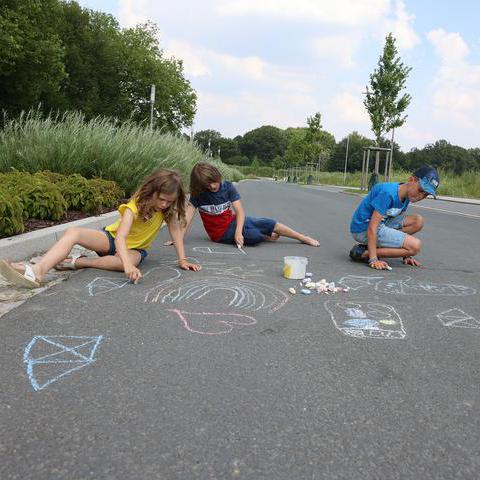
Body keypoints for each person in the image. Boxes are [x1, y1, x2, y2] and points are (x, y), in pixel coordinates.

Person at [0, 169, 200, 289]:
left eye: (169, 201)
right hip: (111, 239)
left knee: (130, 260)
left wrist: (182, 260)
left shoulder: (167, 211)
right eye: (161, 199)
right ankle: (39, 270)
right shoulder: (136, 205)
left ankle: (77, 263)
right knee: (74, 232)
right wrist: (129, 268)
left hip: (134, 250)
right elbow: (120, 238)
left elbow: (176, 232)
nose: (164, 204)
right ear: (152, 191)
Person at [185, 162, 319, 248]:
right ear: (200, 185)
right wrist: (178, 237)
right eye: (208, 185)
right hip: (220, 234)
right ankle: (267, 237)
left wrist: (238, 232)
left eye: (214, 181)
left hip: (232, 222)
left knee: (268, 222)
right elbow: (187, 218)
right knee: (254, 237)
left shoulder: (227, 187)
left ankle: (302, 237)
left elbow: (239, 211)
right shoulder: (198, 194)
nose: (213, 186)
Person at [349, 165, 440, 270]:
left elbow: (396, 219)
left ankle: (377, 247)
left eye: (425, 195)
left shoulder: (406, 195)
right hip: (362, 228)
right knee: (415, 247)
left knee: (418, 221)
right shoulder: (388, 193)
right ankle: (363, 253)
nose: (420, 196)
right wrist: (373, 259)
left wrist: (406, 255)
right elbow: (372, 227)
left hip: (382, 223)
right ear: (411, 179)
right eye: (420, 190)